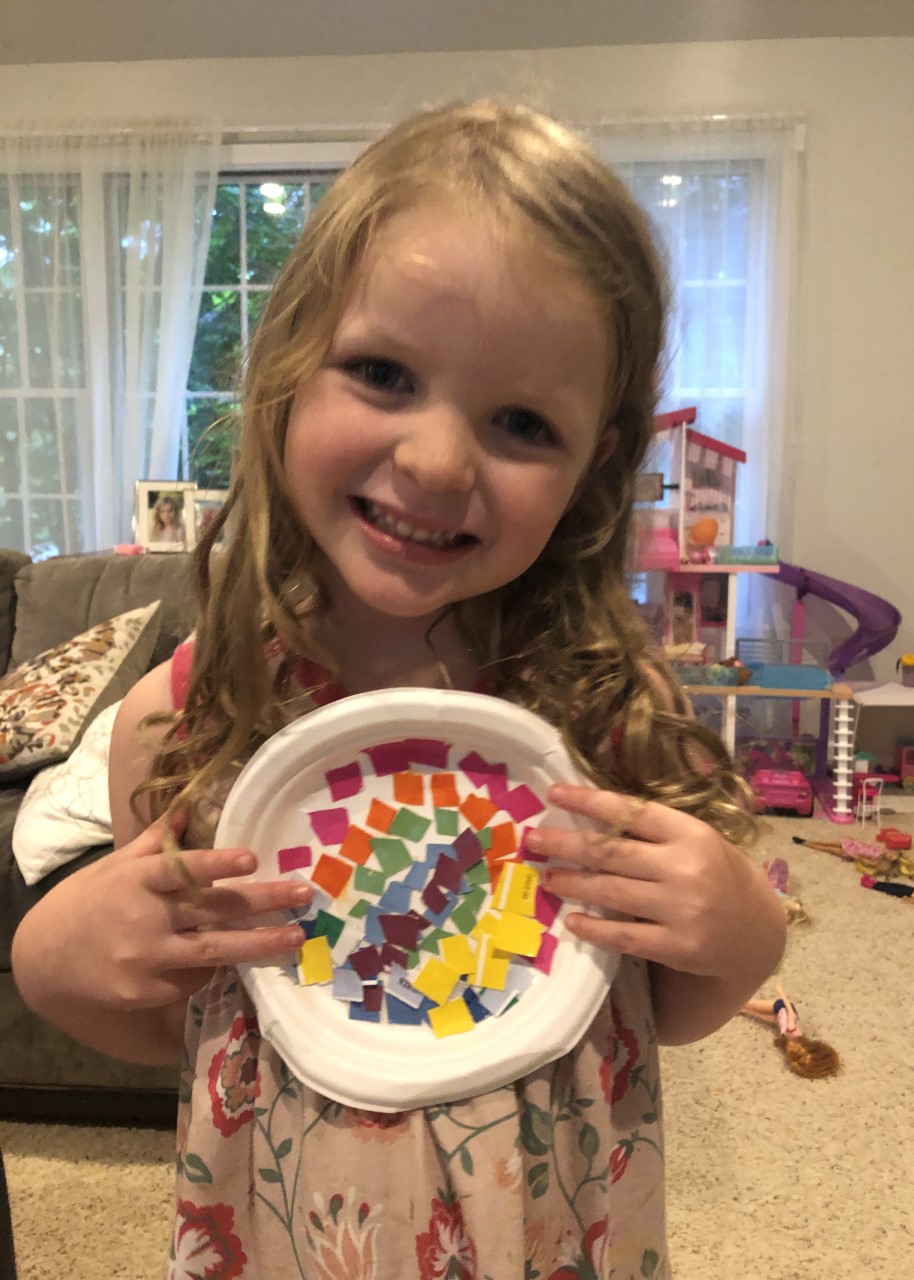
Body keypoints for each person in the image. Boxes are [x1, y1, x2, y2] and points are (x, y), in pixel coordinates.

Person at [12, 101, 786, 1278]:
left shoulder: (606, 709)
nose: (435, 460)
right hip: (284, 1224)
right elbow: (194, 1016)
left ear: (594, 463)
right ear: (283, 370)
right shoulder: (183, 721)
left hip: (547, 1221)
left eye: (522, 421)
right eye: (382, 373)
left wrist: (737, 925)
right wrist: (56, 956)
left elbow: (674, 999)